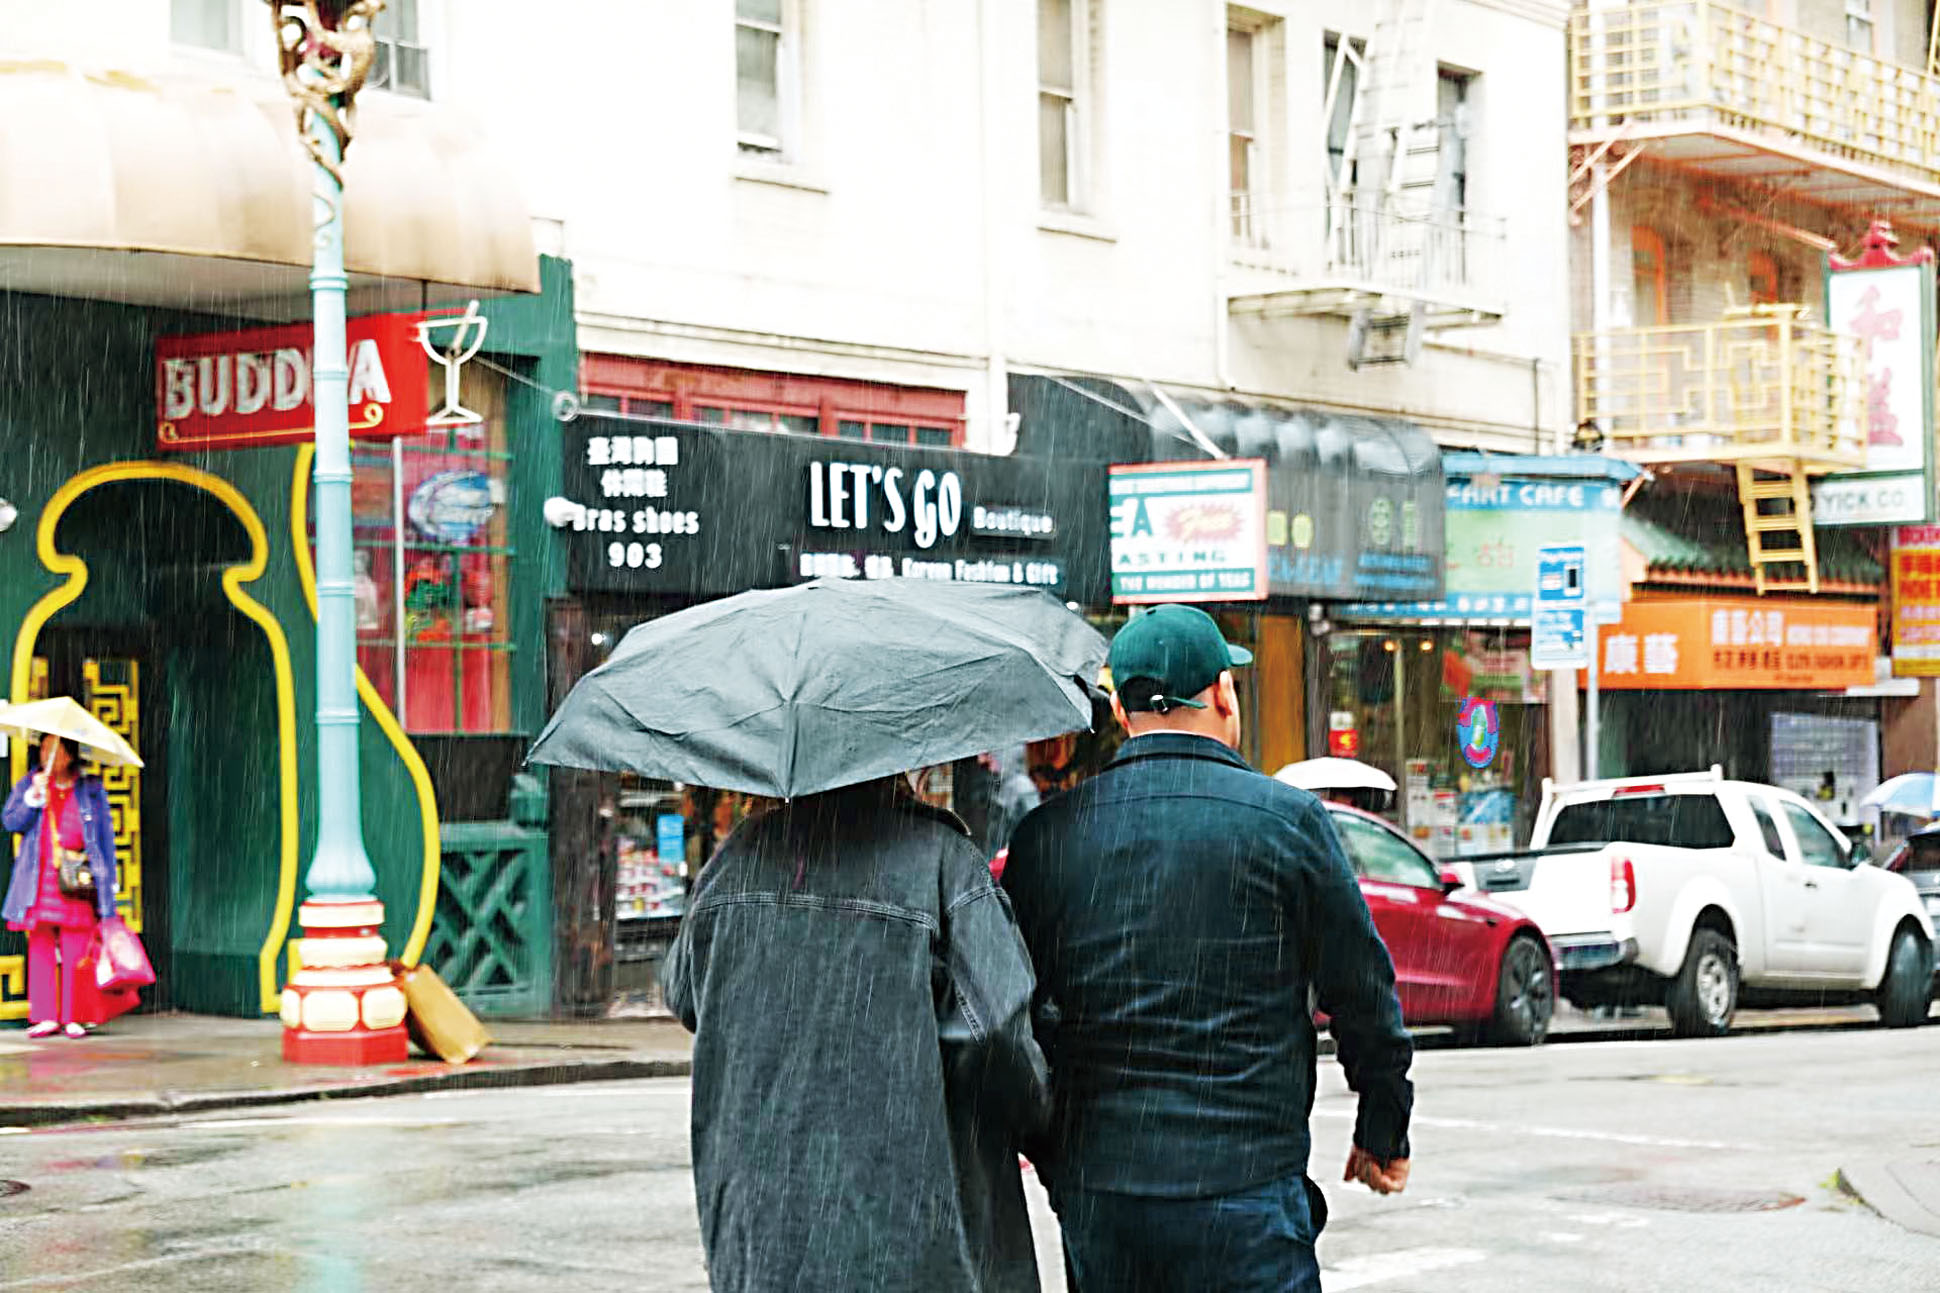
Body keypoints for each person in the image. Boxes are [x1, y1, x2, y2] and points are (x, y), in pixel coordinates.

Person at [1003, 605, 1415, 1292]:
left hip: (1108, 1196)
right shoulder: (1287, 823)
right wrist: (1382, 1128)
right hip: (1245, 1187)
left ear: (1125, 710)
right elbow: (1363, 991)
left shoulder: (1049, 837)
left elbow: (1016, 1018)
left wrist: (1060, 1159)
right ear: (1224, 691)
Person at [663, 773, 1051, 1292]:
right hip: (913, 1233)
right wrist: (1041, 1112)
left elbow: (686, 994)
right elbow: (997, 1030)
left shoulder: (736, 862)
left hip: (767, 1237)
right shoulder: (940, 860)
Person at [3, 734, 122, 1039]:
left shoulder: (90, 790)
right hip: (39, 878)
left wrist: (108, 878)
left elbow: (105, 837)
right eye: (43, 749)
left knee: (76, 948)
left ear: (69, 755)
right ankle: (44, 1016)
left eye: (54, 750)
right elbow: (12, 822)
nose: (47, 756)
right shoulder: (31, 783)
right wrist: (33, 798)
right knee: (41, 944)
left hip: (76, 878)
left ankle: (74, 1016)